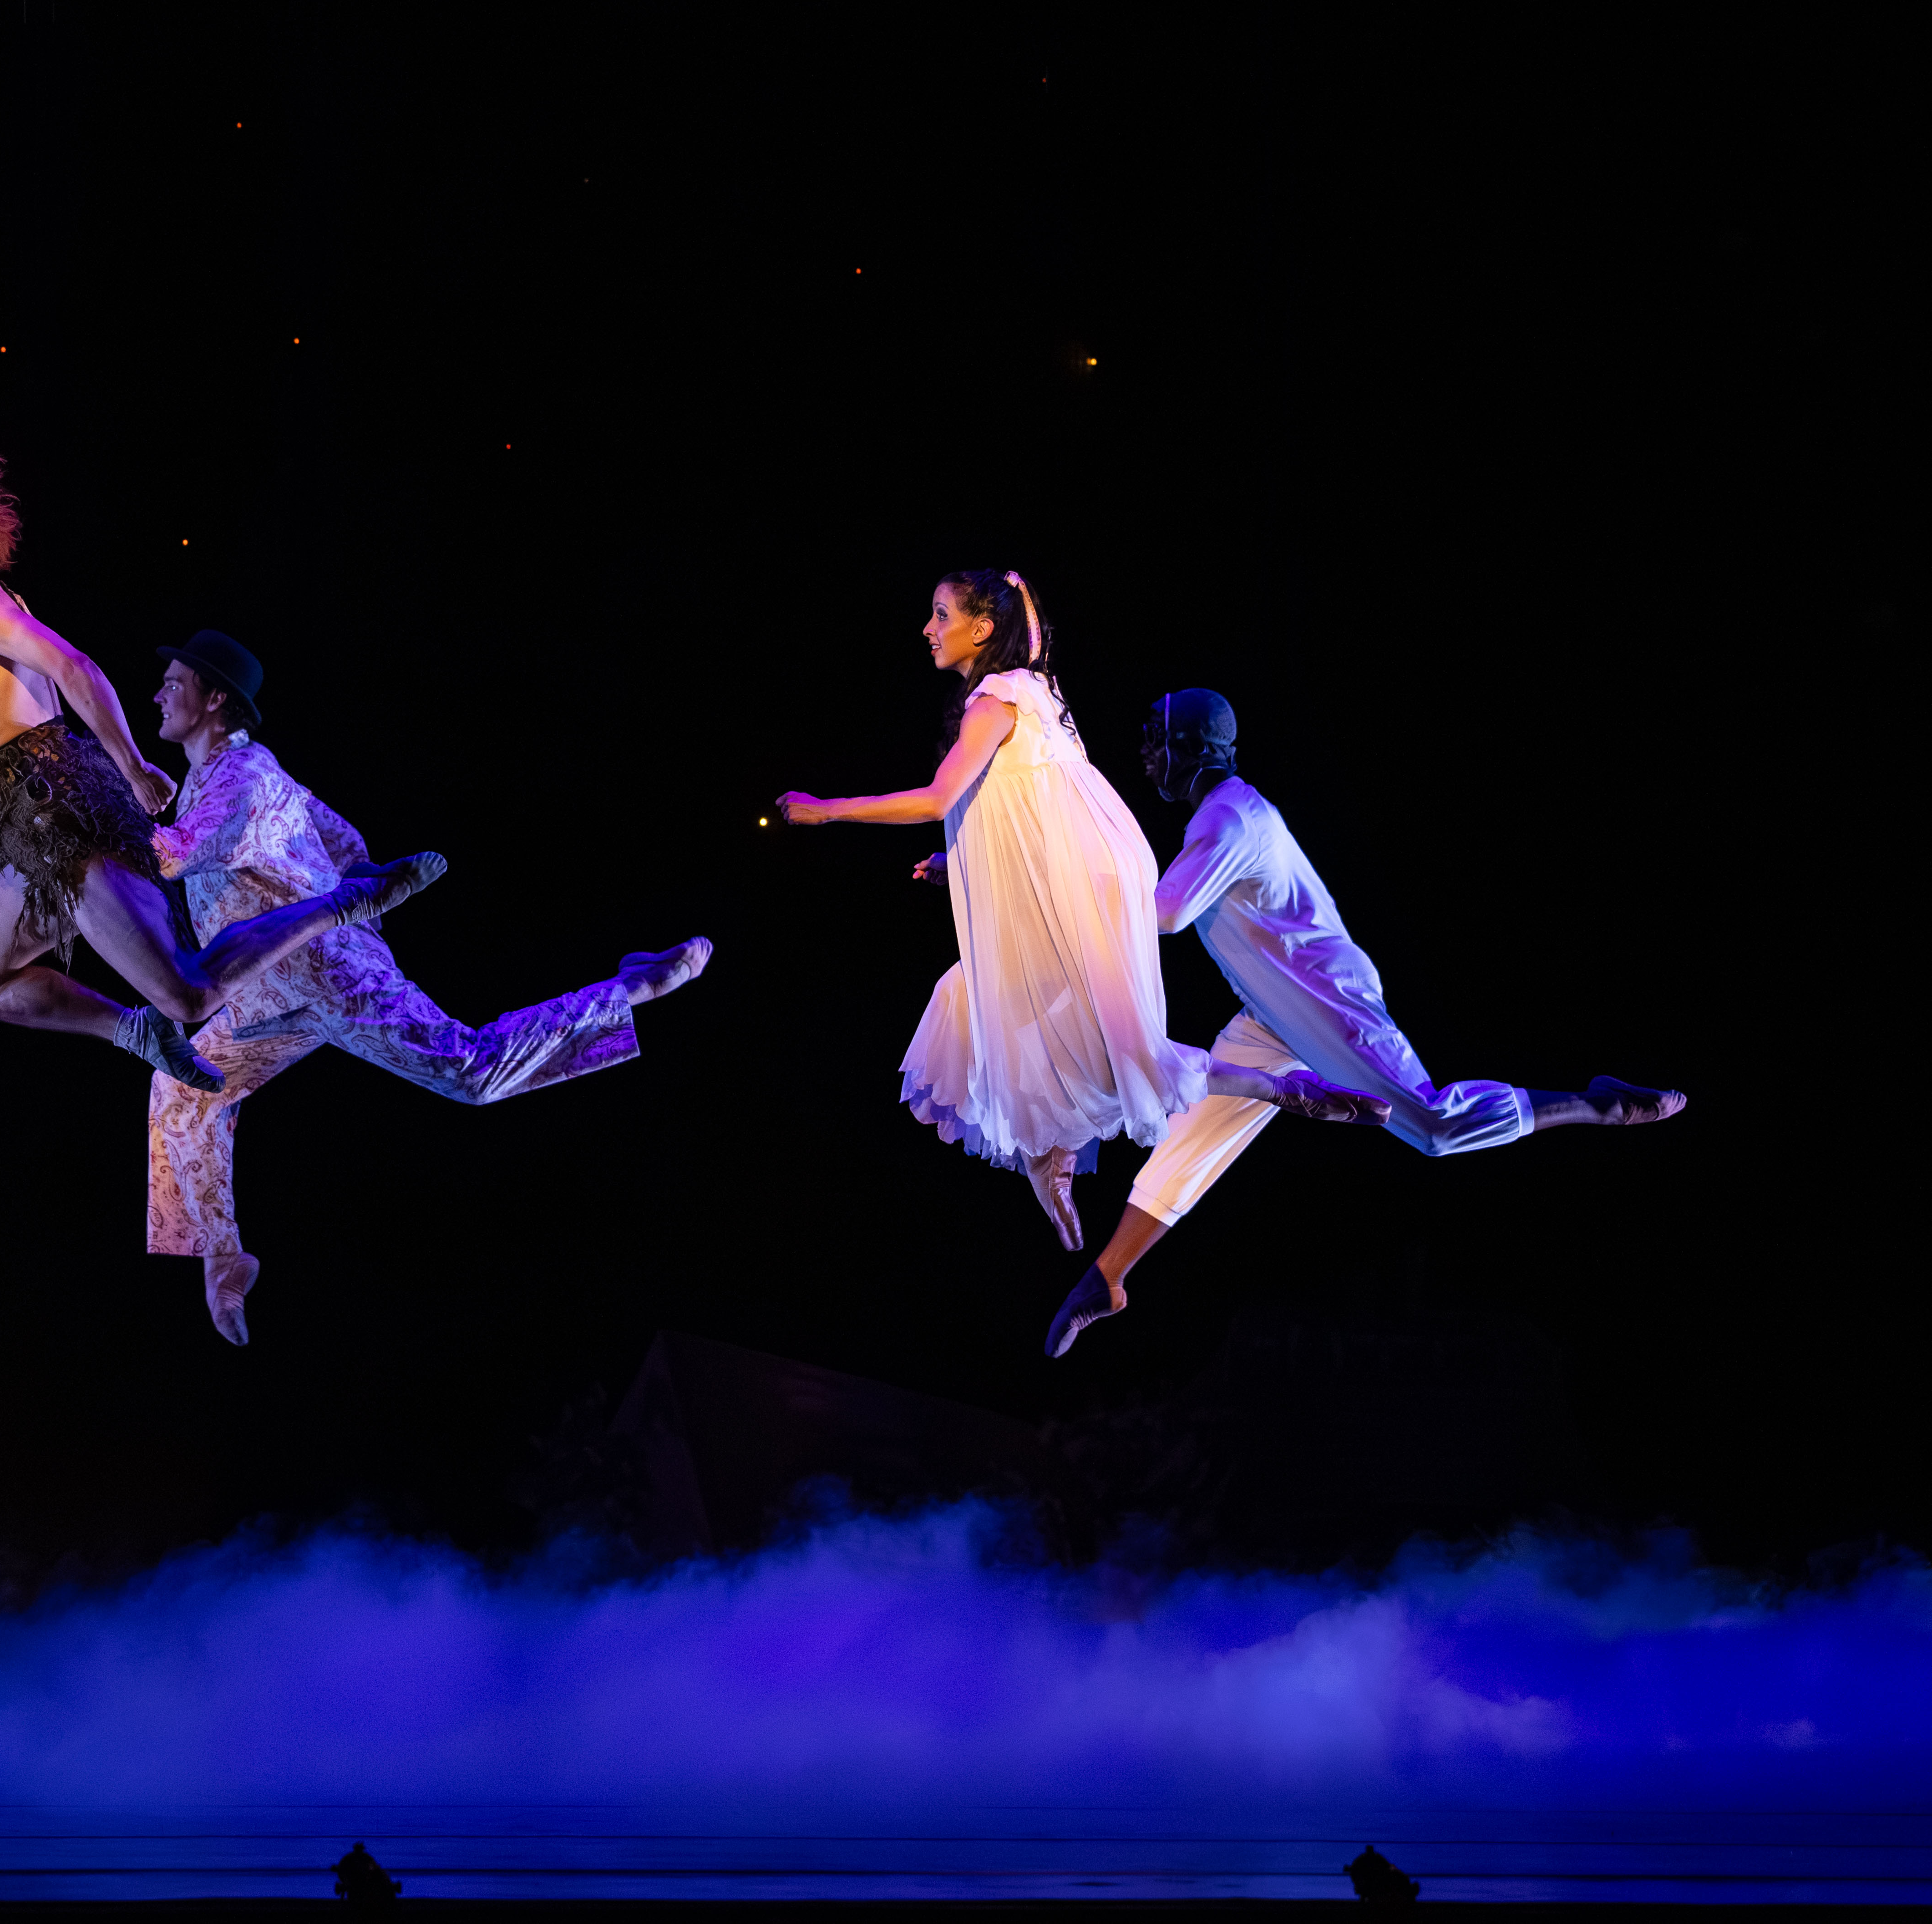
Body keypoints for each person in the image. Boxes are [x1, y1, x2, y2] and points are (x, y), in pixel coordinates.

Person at [0, 423, 446, 1092]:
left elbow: (75, 666)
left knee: (189, 992)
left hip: (67, 818)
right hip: (29, 839)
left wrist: (132, 766)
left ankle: (348, 900)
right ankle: (135, 1032)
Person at [1039, 689, 1687, 1355]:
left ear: (1189, 747)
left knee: (1434, 1128)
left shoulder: (1230, 821)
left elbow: (1165, 914)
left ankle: (1595, 1104)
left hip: (1328, 1001)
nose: (1145, 754)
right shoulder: (1221, 815)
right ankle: (1107, 1277)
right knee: (1195, 1130)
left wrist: (1058, 896)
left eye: (1156, 738)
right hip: (1274, 1015)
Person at [139, 632, 712, 1343]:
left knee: (470, 1072)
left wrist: (102, 794)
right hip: (268, 998)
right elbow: (344, 840)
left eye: (173, 682)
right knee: (182, 1086)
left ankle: (630, 990)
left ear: (214, 698)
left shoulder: (241, 777)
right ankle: (224, 1265)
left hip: (330, 978)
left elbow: (172, 856)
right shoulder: (230, 774)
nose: (158, 694)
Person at [776, 570, 1370, 1253]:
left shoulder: (993, 703)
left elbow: (941, 799)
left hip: (1078, 883)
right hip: (1102, 871)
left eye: (941, 614)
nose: (928, 629)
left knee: (1011, 1013)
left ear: (981, 629)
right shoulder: (1037, 690)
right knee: (1090, 1035)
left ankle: (1061, 1151)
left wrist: (828, 811)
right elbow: (1020, 804)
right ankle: (1247, 1096)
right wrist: (960, 860)